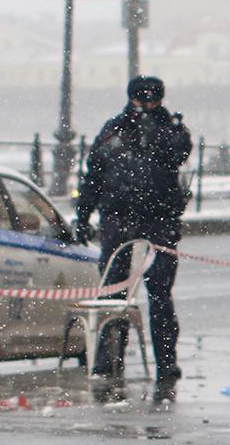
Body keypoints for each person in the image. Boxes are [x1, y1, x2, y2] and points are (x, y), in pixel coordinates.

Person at [73, 75, 193, 391]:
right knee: (114, 293)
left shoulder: (169, 128)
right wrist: (83, 216)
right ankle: (109, 359)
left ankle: (166, 361)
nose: (148, 105)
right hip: (120, 216)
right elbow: (93, 177)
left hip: (158, 217)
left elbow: (180, 154)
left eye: (153, 100)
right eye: (144, 100)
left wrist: (159, 130)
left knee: (159, 291)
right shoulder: (114, 129)